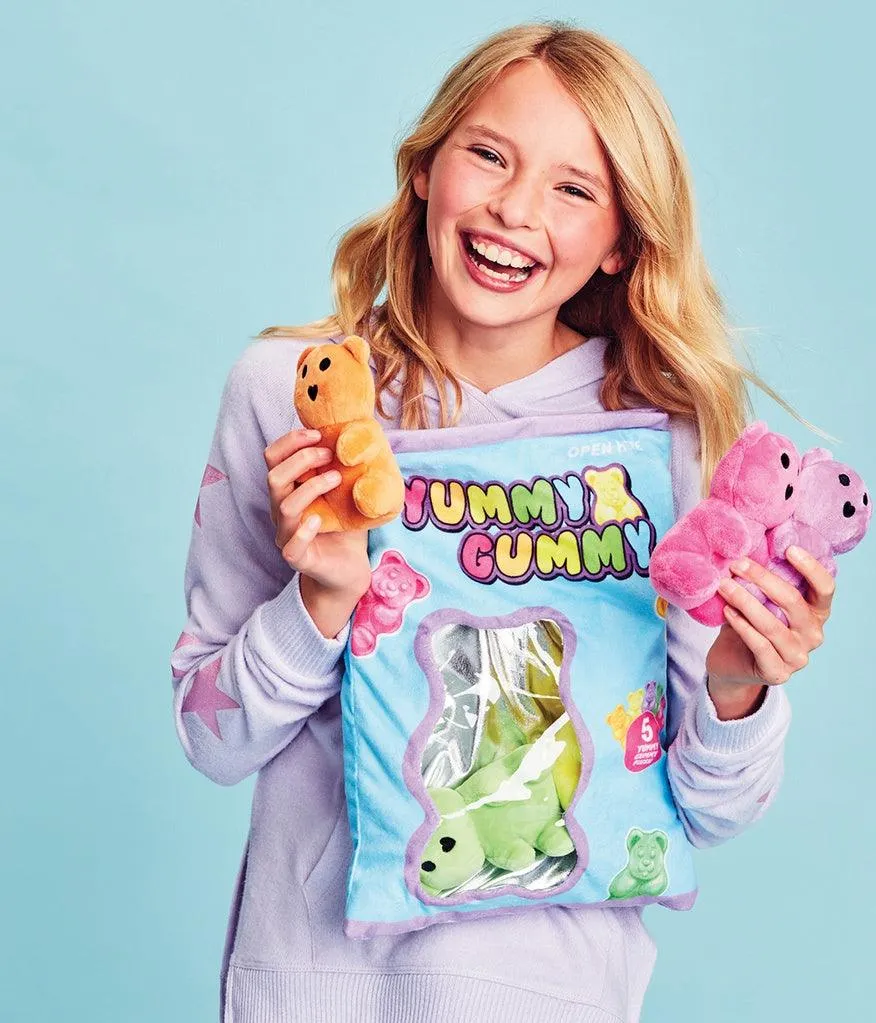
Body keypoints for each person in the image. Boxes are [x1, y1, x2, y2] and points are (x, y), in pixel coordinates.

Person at [170, 20, 836, 1023]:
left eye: (575, 189)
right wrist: (319, 602)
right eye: (489, 155)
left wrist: (739, 686)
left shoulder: (665, 443)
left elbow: (711, 809)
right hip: (311, 987)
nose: (516, 210)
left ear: (621, 243)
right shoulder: (291, 392)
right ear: (426, 167)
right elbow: (209, 738)